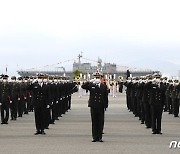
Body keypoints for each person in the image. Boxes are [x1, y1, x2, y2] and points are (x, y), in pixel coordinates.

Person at [82, 71, 108, 142]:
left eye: (98, 77)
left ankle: (100, 137)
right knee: (94, 122)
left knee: (100, 121)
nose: (97, 78)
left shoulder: (103, 86)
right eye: (95, 77)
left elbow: (105, 96)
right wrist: (89, 82)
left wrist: (106, 105)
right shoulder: (91, 85)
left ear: (100, 78)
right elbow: (83, 86)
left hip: (100, 106)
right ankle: (94, 137)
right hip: (93, 105)